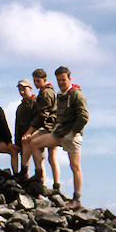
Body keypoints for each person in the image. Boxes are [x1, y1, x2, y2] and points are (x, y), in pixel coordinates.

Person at [29, 66, 88, 209]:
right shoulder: (60, 94)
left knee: (74, 166)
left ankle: (76, 200)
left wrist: (73, 132)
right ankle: (38, 175)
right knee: (34, 142)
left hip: (72, 135)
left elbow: (84, 116)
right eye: (59, 80)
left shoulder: (76, 95)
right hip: (59, 132)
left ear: (69, 79)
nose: (61, 82)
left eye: (63, 79)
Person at [23, 69, 60, 190]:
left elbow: (43, 115)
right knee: (52, 157)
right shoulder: (48, 92)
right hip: (54, 126)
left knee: (31, 142)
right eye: (34, 81)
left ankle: (38, 174)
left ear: (45, 80)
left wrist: (30, 131)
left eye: (38, 81)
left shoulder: (46, 93)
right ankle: (56, 185)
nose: (36, 83)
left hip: (48, 127)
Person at [14, 79, 36, 179]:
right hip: (23, 140)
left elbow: (40, 120)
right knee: (24, 163)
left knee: (39, 161)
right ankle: (26, 183)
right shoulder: (20, 108)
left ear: (30, 88)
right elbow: (17, 127)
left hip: (36, 138)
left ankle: (40, 185)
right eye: (20, 89)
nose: (21, 92)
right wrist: (17, 143)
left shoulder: (37, 103)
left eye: (24, 89)